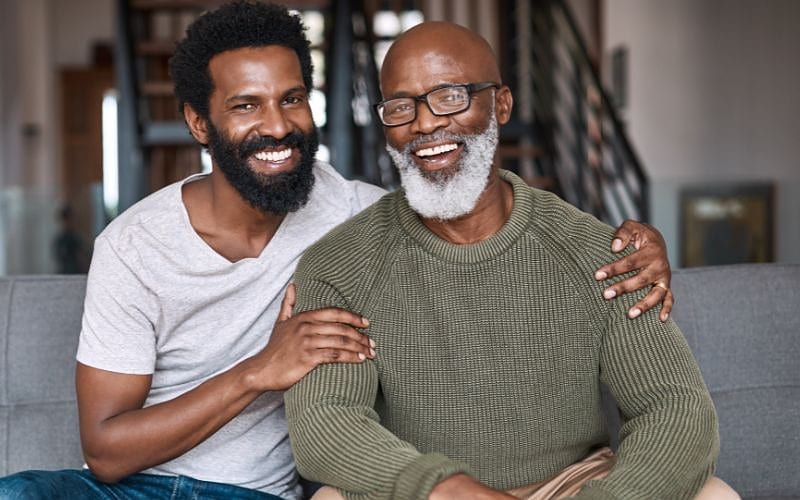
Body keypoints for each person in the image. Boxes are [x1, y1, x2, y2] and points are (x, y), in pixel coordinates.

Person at [0, 3, 672, 500]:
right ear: (199, 122)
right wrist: (260, 370)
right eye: (245, 106)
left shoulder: (358, 217)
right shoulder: (134, 246)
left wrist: (636, 241)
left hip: (255, 496)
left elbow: (479, 208)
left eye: (292, 99)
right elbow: (107, 451)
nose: (277, 126)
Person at [284, 21, 739, 500]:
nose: (424, 123)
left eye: (450, 96)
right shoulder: (339, 265)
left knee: (715, 496)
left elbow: (673, 407)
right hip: (428, 492)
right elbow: (326, 422)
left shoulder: (599, 252)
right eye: (401, 107)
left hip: (573, 487)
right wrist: (446, 488)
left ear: (500, 104)